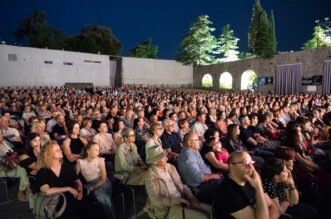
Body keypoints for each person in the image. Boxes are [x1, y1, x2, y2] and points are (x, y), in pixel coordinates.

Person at [36, 141, 101, 219]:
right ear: (48, 154)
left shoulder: (66, 166)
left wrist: (80, 190)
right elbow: (46, 191)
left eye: (60, 149)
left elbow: (77, 180)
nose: (61, 151)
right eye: (57, 150)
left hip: (73, 196)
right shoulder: (42, 172)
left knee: (93, 211)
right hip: (57, 201)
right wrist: (68, 188)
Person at [144, 145, 211, 219]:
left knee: (210, 210)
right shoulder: (150, 176)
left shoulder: (170, 167)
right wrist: (179, 200)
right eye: (163, 157)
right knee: (203, 217)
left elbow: (181, 185)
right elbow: (156, 200)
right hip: (167, 209)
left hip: (182, 200)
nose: (167, 158)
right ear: (155, 162)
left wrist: (190, 196)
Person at [213, 151, 279, 219]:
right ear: (231, 166)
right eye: (246, 163)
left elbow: (273, 208)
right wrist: (258, 187)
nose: (251, 168)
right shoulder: (228, 193)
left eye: (252, 163)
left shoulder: (249, 181)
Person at [177, 132, 223, 203]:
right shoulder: (187, 156)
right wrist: (214, 176)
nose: (199, 141)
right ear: (189, 143)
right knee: (227, 187)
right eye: (197, 140)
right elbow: (198, 177)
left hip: (208, 180)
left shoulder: (194, 150)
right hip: (201, 187)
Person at [76, 142, 115, 219]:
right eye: (95, 150)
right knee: (103, 197)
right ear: (88, 151)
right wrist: (80, 188)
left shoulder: (100, 160)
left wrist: (91, 188)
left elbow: (103, 179)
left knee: (101, 196)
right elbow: (75, 177)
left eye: (98, 150)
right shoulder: (80, 162)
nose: (98, 152)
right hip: (90, 184)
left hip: (103, 183)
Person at [0, 129, 30, 201]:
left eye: (1, 134)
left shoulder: (3, 143)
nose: (2, 135)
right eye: (0, 134)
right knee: (23, 170)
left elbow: (12, 152)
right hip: (3, 169)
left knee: (23, 166)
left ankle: (24, 191)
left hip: (11, 165)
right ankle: (24, 191)